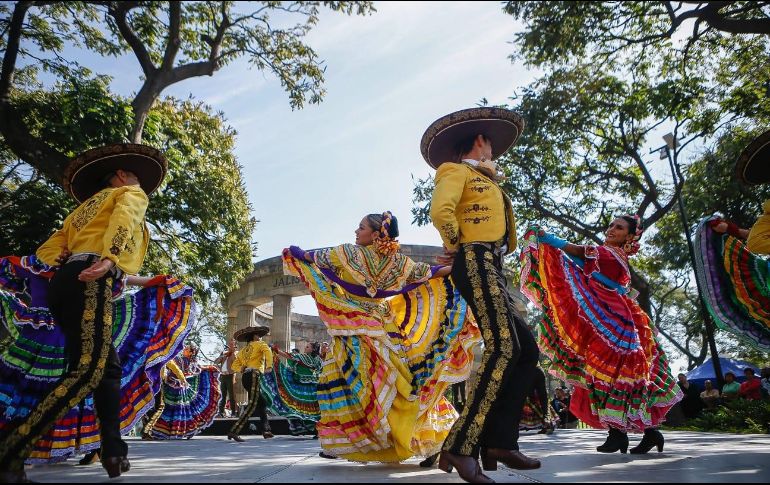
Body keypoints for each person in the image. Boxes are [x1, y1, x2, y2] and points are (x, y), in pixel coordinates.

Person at [0, 143, 167, 482]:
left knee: (107, 368)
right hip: (92, 277)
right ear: (122, 176)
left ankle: (113, 448)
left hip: (67, 283)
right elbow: (125, 220)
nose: (139, 183)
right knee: (90, 369)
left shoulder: (79, 213)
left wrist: (88, 263)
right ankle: (13, 446)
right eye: (134, 176)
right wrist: (110, 257)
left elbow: (49, 252)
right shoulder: (129, 194)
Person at [283, 211, 481, 464]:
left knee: (349, 383)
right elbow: (431, 272)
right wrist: (465, 266)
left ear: (376, 234)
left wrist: (296, 252)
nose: (356, 231)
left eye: (361, 227)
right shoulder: (398, 263)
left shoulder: (347, 253)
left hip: (353, 329)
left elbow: (312, 257)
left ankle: (351, 443)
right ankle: (429, 440)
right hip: (383, 329)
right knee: (403, 385)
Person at [521, 215, 682, 457]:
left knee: (613, 373)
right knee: (608, 373)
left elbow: (577, 251)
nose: (612, 229)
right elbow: (578, 260)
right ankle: (644, 434)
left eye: (619, 227)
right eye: (611, 225)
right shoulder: (607, 254)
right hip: (609, 314)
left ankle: (621, 434)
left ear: (629, 236)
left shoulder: (610, 255)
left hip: (615, 319)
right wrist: (551, 245)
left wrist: (548, 238)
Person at [0, 266, 193, 467]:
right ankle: (18, 450)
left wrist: (158, 281)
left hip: (65, 333)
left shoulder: (76, 263)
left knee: (76, 388)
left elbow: (122, 277)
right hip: (45, 335)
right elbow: (120, 277)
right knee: (40, 392)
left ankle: (95, 447)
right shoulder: (36, 263)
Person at [142, 344, 221, 439]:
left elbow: (194, 370)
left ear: (192, 352)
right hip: (171, 386)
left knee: (181, 411)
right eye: (185, 348)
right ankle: (151, 430)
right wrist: (181, 379)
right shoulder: (178, 359)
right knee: (165, 409)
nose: (184, 349)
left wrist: (205, 369)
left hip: (179, 389)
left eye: (187, 349)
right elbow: (174, 368)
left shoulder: (191, 362)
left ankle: (179, 430)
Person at [262, 341, 323, 436]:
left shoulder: (303, 357)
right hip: (315, 388)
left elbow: (288, 356)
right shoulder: (319, 360)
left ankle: (298, 426)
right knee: (315, 409)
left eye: (307, 347)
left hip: (302, 387)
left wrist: (275, 349)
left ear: (312, 349)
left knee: (296, 406)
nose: (305, 348)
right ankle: (316, 429)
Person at [227, 325, 274, 442]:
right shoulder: (260, 344)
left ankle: (266, 430)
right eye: (258, 335)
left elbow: (234, 366)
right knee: (252, 405)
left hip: (246, 377)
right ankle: (234, 431)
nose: (260, 337)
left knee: (261, 402)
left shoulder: (242, 351)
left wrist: (242, 368)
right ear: (254, 337)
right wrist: (269, 366)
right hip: (254, 375)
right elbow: (268, 351)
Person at [214, 338, 238, 417]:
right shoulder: (224, 353)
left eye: (232, 344)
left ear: (235, 346)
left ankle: (234, 412)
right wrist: (223, 355)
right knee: (222, 395)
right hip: (223, 376)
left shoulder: (236, 353)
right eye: (230, 344)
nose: (230, 346)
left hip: (231, 376)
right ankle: (221, 412)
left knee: (231, 395)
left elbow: (236, 362)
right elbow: (216, 362)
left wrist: (232, 353)